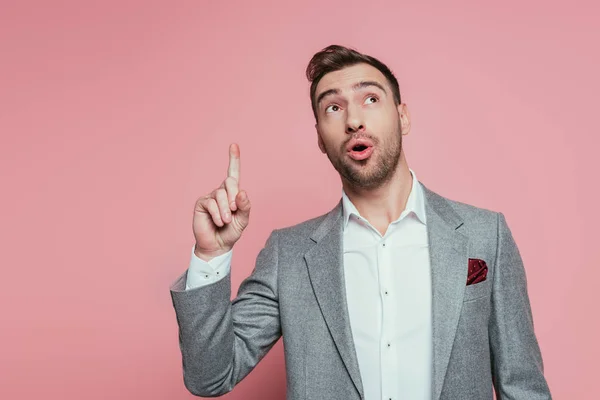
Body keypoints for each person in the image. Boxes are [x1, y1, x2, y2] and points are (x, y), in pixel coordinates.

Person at [169, 44, 552, 400]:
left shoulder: (486, 235)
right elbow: (210, 377)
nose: (354, 120)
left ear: (402, 117)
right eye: (332, 108)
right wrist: (210, 255)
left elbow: (523, 386)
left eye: (370, 99)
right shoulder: (289, 254)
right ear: (320, 137)